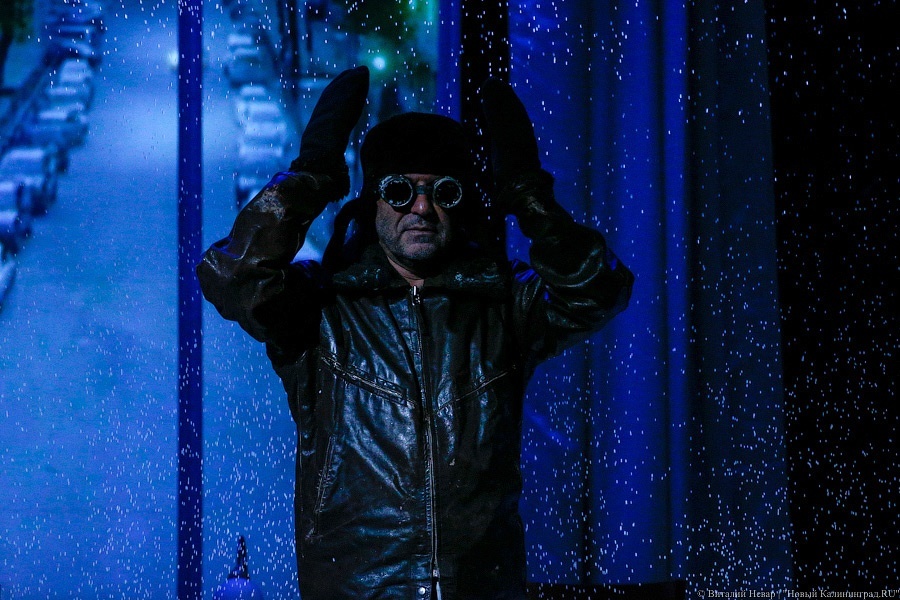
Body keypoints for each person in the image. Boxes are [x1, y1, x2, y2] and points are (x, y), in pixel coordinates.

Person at [197, 66, 634, 600]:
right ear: (372, 200)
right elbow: (233, 277)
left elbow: (600, 290)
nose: (422, 208)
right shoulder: (322, 308)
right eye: (400, 190)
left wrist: (528, 194)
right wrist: (311, 177)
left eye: (442, 191)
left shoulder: (502, 304)